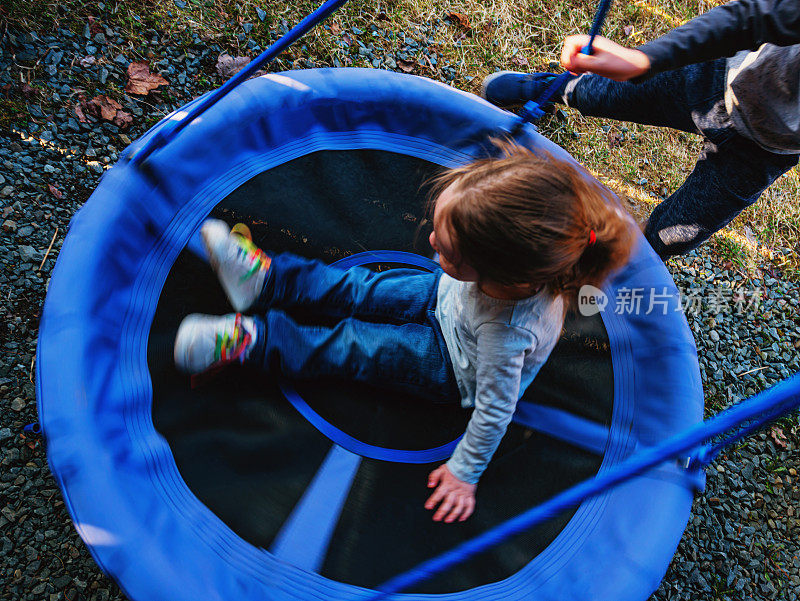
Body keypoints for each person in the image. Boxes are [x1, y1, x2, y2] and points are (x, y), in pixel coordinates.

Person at [173, 142, 636, 523]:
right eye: (439, 228)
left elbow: (497, 409)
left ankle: (253, 342)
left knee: (355, 344)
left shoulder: (509, 332)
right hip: (445, 300)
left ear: (498, 276)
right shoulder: (496, 267)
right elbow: (453, 268)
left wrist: (464, 473)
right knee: (357, 286)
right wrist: (452, 274)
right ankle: (265, 280)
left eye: (449, 249)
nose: (431, 242)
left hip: (450, 363)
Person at [482, 0, 800, 258]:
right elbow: (759, 14)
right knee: (599, 93)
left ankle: (600, 263)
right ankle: (544, 90)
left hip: (767, 151)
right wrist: (645, 58)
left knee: (670, 238)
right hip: (720, 78)